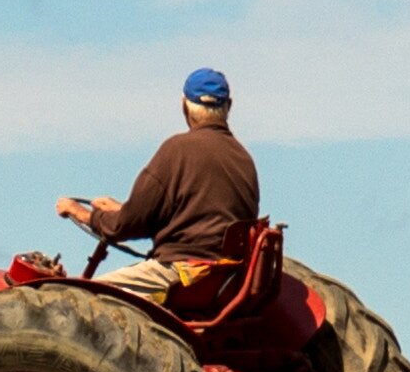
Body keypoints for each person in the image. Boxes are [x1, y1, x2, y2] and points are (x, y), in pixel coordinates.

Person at [53, 67, 259, 303]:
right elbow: (197, 216)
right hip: (224, 279)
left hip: (182, 274)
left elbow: (125, 227)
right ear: (228, 106)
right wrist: (121, 209)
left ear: (184, 105)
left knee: (77, 299)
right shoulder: (245, 160)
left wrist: (83, 214)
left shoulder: (177, 150)